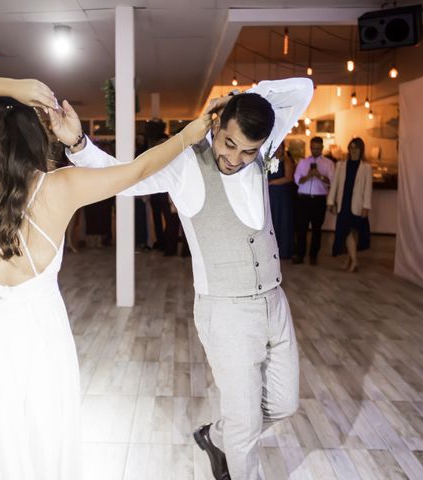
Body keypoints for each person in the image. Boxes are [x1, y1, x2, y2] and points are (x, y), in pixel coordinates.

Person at [0, 75, 211, 480]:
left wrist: (14, 87)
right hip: (40, 335)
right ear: (34, 140)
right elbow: (141, 169)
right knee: (38, 442)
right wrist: (190, 134)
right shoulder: (64, 187)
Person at [58, 78, 313, 480]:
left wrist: (244, 98)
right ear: (215, 125)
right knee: (246, 426)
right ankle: (233, 447)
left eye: (248, 151)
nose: (236, 158)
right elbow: (123, 177)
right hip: (226, 310)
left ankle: (216, 436)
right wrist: (78, 146)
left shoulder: (260, 150)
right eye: (229, 144)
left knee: (283, 405)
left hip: (274, 302)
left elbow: (304, 89)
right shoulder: (186, 166)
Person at [327, 137, 373, 272]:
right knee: (346, 232)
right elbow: (334, 185)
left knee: (353, 233)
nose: (354, 150)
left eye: (356, 148)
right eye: (351, 148)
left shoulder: (366, 168)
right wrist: (330, 201)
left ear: (361, 150)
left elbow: (368, 189)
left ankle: (351, 260)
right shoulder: (340, 165)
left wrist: (366, 206)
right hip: (343, 203)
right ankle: (354, 261)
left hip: (357, 205)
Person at [292, 136, 334, 265]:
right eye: (313, 148)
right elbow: (297, 181)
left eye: (318, 148)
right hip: (303, 200)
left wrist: (319, 176)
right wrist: (309, 175)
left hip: (319, 200)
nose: (315, 150)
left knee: (317, 229)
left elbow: (332, 181)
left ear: (322, 148)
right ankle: (300, 254)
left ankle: (313, 255)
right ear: (310, 148)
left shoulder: (328, 163)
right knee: (301, 229)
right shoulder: (303, 163)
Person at [268, 140, 295, 259]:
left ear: (283, 148)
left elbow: (289, 178)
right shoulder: (269, 160)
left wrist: (272, 182)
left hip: (282, 195)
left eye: (280, 148)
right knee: (272, 220)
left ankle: (283, 250)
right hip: (271, 195)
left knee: (282, 220)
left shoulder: (286, 160)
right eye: (276, 148)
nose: (278, 150)